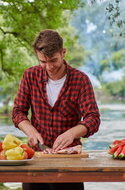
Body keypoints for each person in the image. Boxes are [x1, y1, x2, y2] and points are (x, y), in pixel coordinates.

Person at [12, 29, 101, 190]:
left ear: (63, 52)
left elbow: (93, 118)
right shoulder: (30, 76)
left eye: (53, 60)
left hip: (69, 162)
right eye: (43, 62)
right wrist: (31, 131)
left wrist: (71, 133)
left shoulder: (80, 80)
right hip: (36, 157)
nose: (49, 67)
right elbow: (18, 111)